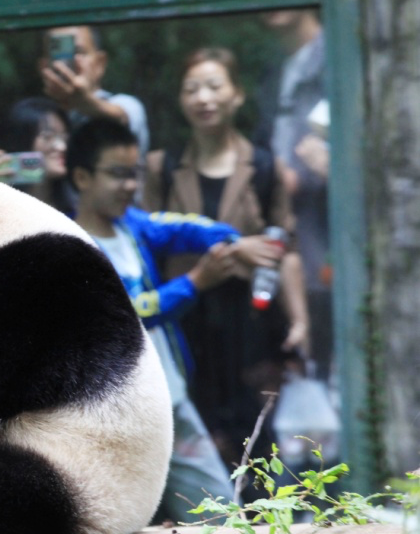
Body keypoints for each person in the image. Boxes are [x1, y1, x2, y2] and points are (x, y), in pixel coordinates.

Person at [67, 118, 272, 520]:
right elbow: (125, 313)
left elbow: (184, 227)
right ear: (81, 176)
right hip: (112, 418)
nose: (130, 185)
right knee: (104, 518)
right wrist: (196, 281)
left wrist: (233, 241)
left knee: (219, 512)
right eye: (117, 174)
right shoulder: (70, 244)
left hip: (170, 402)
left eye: (134, 174)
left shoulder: (133, 226)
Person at [141, 48, 310, 466]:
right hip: (185, 315)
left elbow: (285, 251)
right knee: (193, 431)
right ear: (181, 100)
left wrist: (301, 320)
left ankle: (263, 519)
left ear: (236, 95)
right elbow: (142, 238)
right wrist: (239, 249)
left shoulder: (265, 166)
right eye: (192, 89)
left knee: (255, 434)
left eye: (214, 86)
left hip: (249, 320)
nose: (203, 98)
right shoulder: (161, 168)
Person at [254, 8, 333, 381]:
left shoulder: (338, 57)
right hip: (288, 254)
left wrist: (329, 168)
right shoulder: (272, 72)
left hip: (334, 246)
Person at [40, 25, 150, 158]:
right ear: (44, 67)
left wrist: (84, 102)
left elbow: (122, 117)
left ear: (100, 63)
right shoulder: (35, 117)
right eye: (59, 52)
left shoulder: (127, 105)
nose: (70, 61)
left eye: (79, 52)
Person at [0, 97, 72, 215]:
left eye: (64, 137)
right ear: (21, 140)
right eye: (48, 136)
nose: (62, 147)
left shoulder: (79, 204)